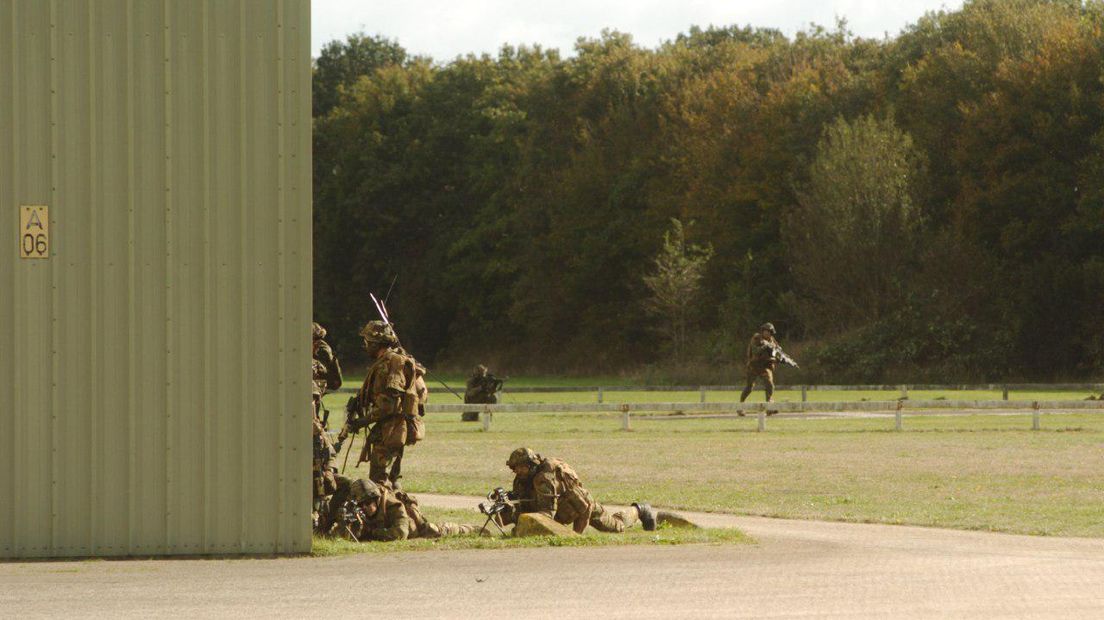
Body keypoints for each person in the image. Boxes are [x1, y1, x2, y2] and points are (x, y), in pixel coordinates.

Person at [344, 320, 427, 488]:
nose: (365, 346)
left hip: (391, 431)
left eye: (367, 342)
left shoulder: (388, 365)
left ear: (377, 343)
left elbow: (389, 406)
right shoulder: (391, 361)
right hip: (393, 430)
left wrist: (361, 422)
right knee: (391, 480)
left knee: (380, 483)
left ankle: (393, 513)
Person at [497, 447, 655, 534]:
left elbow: (547, 516)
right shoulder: (522, 479)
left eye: (521, 467)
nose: (517, 471)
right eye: (515, 468)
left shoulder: (545, 479)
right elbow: (523, 505)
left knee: (616, 526)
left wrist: (575, 537)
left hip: (582, 507)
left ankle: (639, 510)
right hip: (561, 510)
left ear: (531, 466)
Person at [319, 476, 477, 541]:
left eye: (371, 502)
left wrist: (371, 533)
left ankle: (473, 529)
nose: (368, 507)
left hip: (414, 529)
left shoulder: (393, 505)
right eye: (363, 504)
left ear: (377, 498)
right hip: (383, 530)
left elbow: (401, 533)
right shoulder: (356, 509)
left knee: (435, 530)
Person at [311, 322, 342, 526]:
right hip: (312, 424)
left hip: (314, 423)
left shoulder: (317, 363)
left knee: (322, 467)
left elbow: (334, 383)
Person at [739, 322, 782, 414]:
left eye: (769, 332)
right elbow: (755, 351)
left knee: (770, 385)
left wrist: (778, 355)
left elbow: (777, 352)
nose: (767, 333)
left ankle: (769, 406)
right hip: (753, 366)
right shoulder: (756, 338)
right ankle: (741, 406)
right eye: (766, 331)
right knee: (749, 387)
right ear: (762, 331)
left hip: (765, 367)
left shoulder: (772, 340)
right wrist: (765, 346)